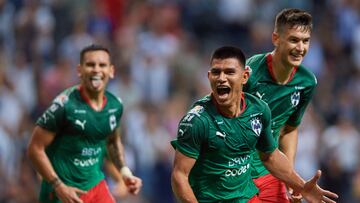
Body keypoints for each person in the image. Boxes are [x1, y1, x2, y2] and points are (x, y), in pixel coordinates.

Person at [171, 46, 338, 203]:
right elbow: (179, 175)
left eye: (229, 72)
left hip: (247, 197)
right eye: (216, 72)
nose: (221, 78)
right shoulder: (196, 121)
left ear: (245, 77)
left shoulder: (258, 109)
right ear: (209, 77)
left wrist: (300, 185)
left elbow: (270, 156)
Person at [27, 44, 142, 203]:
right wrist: (58, 185)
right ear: (79, 70)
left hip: (95, 185)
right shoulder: (64, 105)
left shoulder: (115, 106)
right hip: (65, 192)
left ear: (111, 71)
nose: (96, 69)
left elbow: (112, 142)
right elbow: (34, 148)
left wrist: (124, 173)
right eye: (90, 64)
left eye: (102, 65)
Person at [244, 8, 316, 202]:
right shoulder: (251, 73)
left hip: (269, 169)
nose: (300, 48)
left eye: (305, 41)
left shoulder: (307, 82)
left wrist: (289, 177)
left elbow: (290, 130)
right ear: (276, 38)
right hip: (237, 170)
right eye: (294, 40)